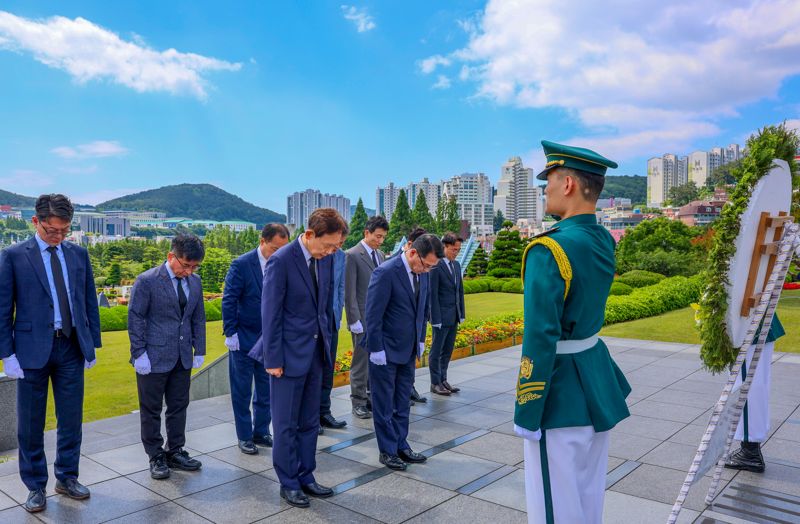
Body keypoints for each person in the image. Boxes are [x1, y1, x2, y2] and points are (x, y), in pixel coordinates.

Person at [515, 141, 631, 524]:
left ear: (567, 184)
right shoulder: (600, 239)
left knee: (554, 506)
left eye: (548, 179)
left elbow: (540, 335)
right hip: (596, 382)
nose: (544, 188)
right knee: (586, 499)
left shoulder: (548, 249)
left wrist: (529, 407)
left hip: (560, 392)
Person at [0, 194, 102, 513]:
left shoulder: (78, 254)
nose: (58, 236)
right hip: (30, 352)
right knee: (31, 424)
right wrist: (7, 354)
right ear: (36, 221)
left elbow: (88, 302)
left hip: (70, 346)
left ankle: (67, 477)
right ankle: (35, 486)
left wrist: (91, 344)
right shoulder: (14, 256)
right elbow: (3, 309)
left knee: (71, 419)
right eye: (52, 230)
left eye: (65, 230)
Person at [248, 208, 345, 508]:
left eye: (336, 248)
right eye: (328, 245)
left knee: (309, 422)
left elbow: (324, 309)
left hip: (315, 354)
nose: (331, 252)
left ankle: (306, 475)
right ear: (310, 234)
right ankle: (288, 482)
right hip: (286, 357)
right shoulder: (281, 261)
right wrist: (272, 358)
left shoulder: (325, 259)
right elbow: (271, 314)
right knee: (286, 423)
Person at [129, 234, 207, 480]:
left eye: (195, 267)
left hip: (182, 356)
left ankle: (175, 450)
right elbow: (136, 317)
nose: (189, 271)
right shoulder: (147, 281)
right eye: (186, 265)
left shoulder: (195, 282)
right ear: (171, 256)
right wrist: (139, 353)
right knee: (151, 409)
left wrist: (200, 349)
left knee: (178, 406)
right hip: (153, 357)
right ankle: (155, 455)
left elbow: (198, 317)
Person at [365, 233, 443, 471]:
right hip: (385, 351)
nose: (426, 270)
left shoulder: (423, 275)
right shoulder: (386, 272)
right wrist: (376, 348)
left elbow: (422, 310)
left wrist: (420, 340)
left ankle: (401, 444)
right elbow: (373, 315)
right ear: (412, 253)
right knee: (384, 403)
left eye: (431, 267)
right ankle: (387, 451)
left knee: (402, 402)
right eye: (425, 264)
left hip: (408, 350)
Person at [222, 223, 289, 455]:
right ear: (262, 242)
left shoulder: (282, 264)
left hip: (269, 338)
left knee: (266, 389)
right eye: (274, 248)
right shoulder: (242, 264)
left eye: (282, 249)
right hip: (243, 337)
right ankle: (244, 436)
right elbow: (229, 298)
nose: (277, 253)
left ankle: (261, 431)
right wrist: (230, 332)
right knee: (241, 390)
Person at [725, 316, 785, 473]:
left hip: (747, 324)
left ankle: (750, 452)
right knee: (754, 386)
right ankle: (750, 448)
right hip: (756, 323)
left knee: (746, 389)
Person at [344, 215, 389, 419]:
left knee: (374, 359)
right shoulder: (352, 255)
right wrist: (353, 319)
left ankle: (369, 396)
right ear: (366, 233)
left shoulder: (379, 255)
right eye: (377, 236)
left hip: (377, 317)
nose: (380, 241)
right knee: (360, 362)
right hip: (361, 318)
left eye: (382, 238)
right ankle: (358, 401)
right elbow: (349, 291)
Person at [319, 225, 349, 432]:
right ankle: (310, 415)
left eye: (342, 242)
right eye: (336, 241)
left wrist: (338, 314)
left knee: (328, 368)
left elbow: (340, 287)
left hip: (332, 320)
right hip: (315, 322)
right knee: (314, 369)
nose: (338, 246)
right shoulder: (317, 254)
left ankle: (324, 411)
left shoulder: (341, 257)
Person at [429, 233, 465, 396]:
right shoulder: (436, 266)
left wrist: (461, 313)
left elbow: (460, 292)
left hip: (454, 316)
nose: (456, 253)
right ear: (444, 247)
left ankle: (443, 379)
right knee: (437, 351)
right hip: (441, 317)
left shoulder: (456, 265)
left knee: (447, 350)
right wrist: (434, 318)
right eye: (453, 249)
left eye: (458, 250)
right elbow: (432, 294)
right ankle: (435, 382)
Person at [402, 227, 429, 405]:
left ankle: (409, 389)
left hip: (415, 328)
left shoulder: (424, 269)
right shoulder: (391, 267)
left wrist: (421, 335)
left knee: (410, 364)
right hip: (397, 331)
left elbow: (424, 301)